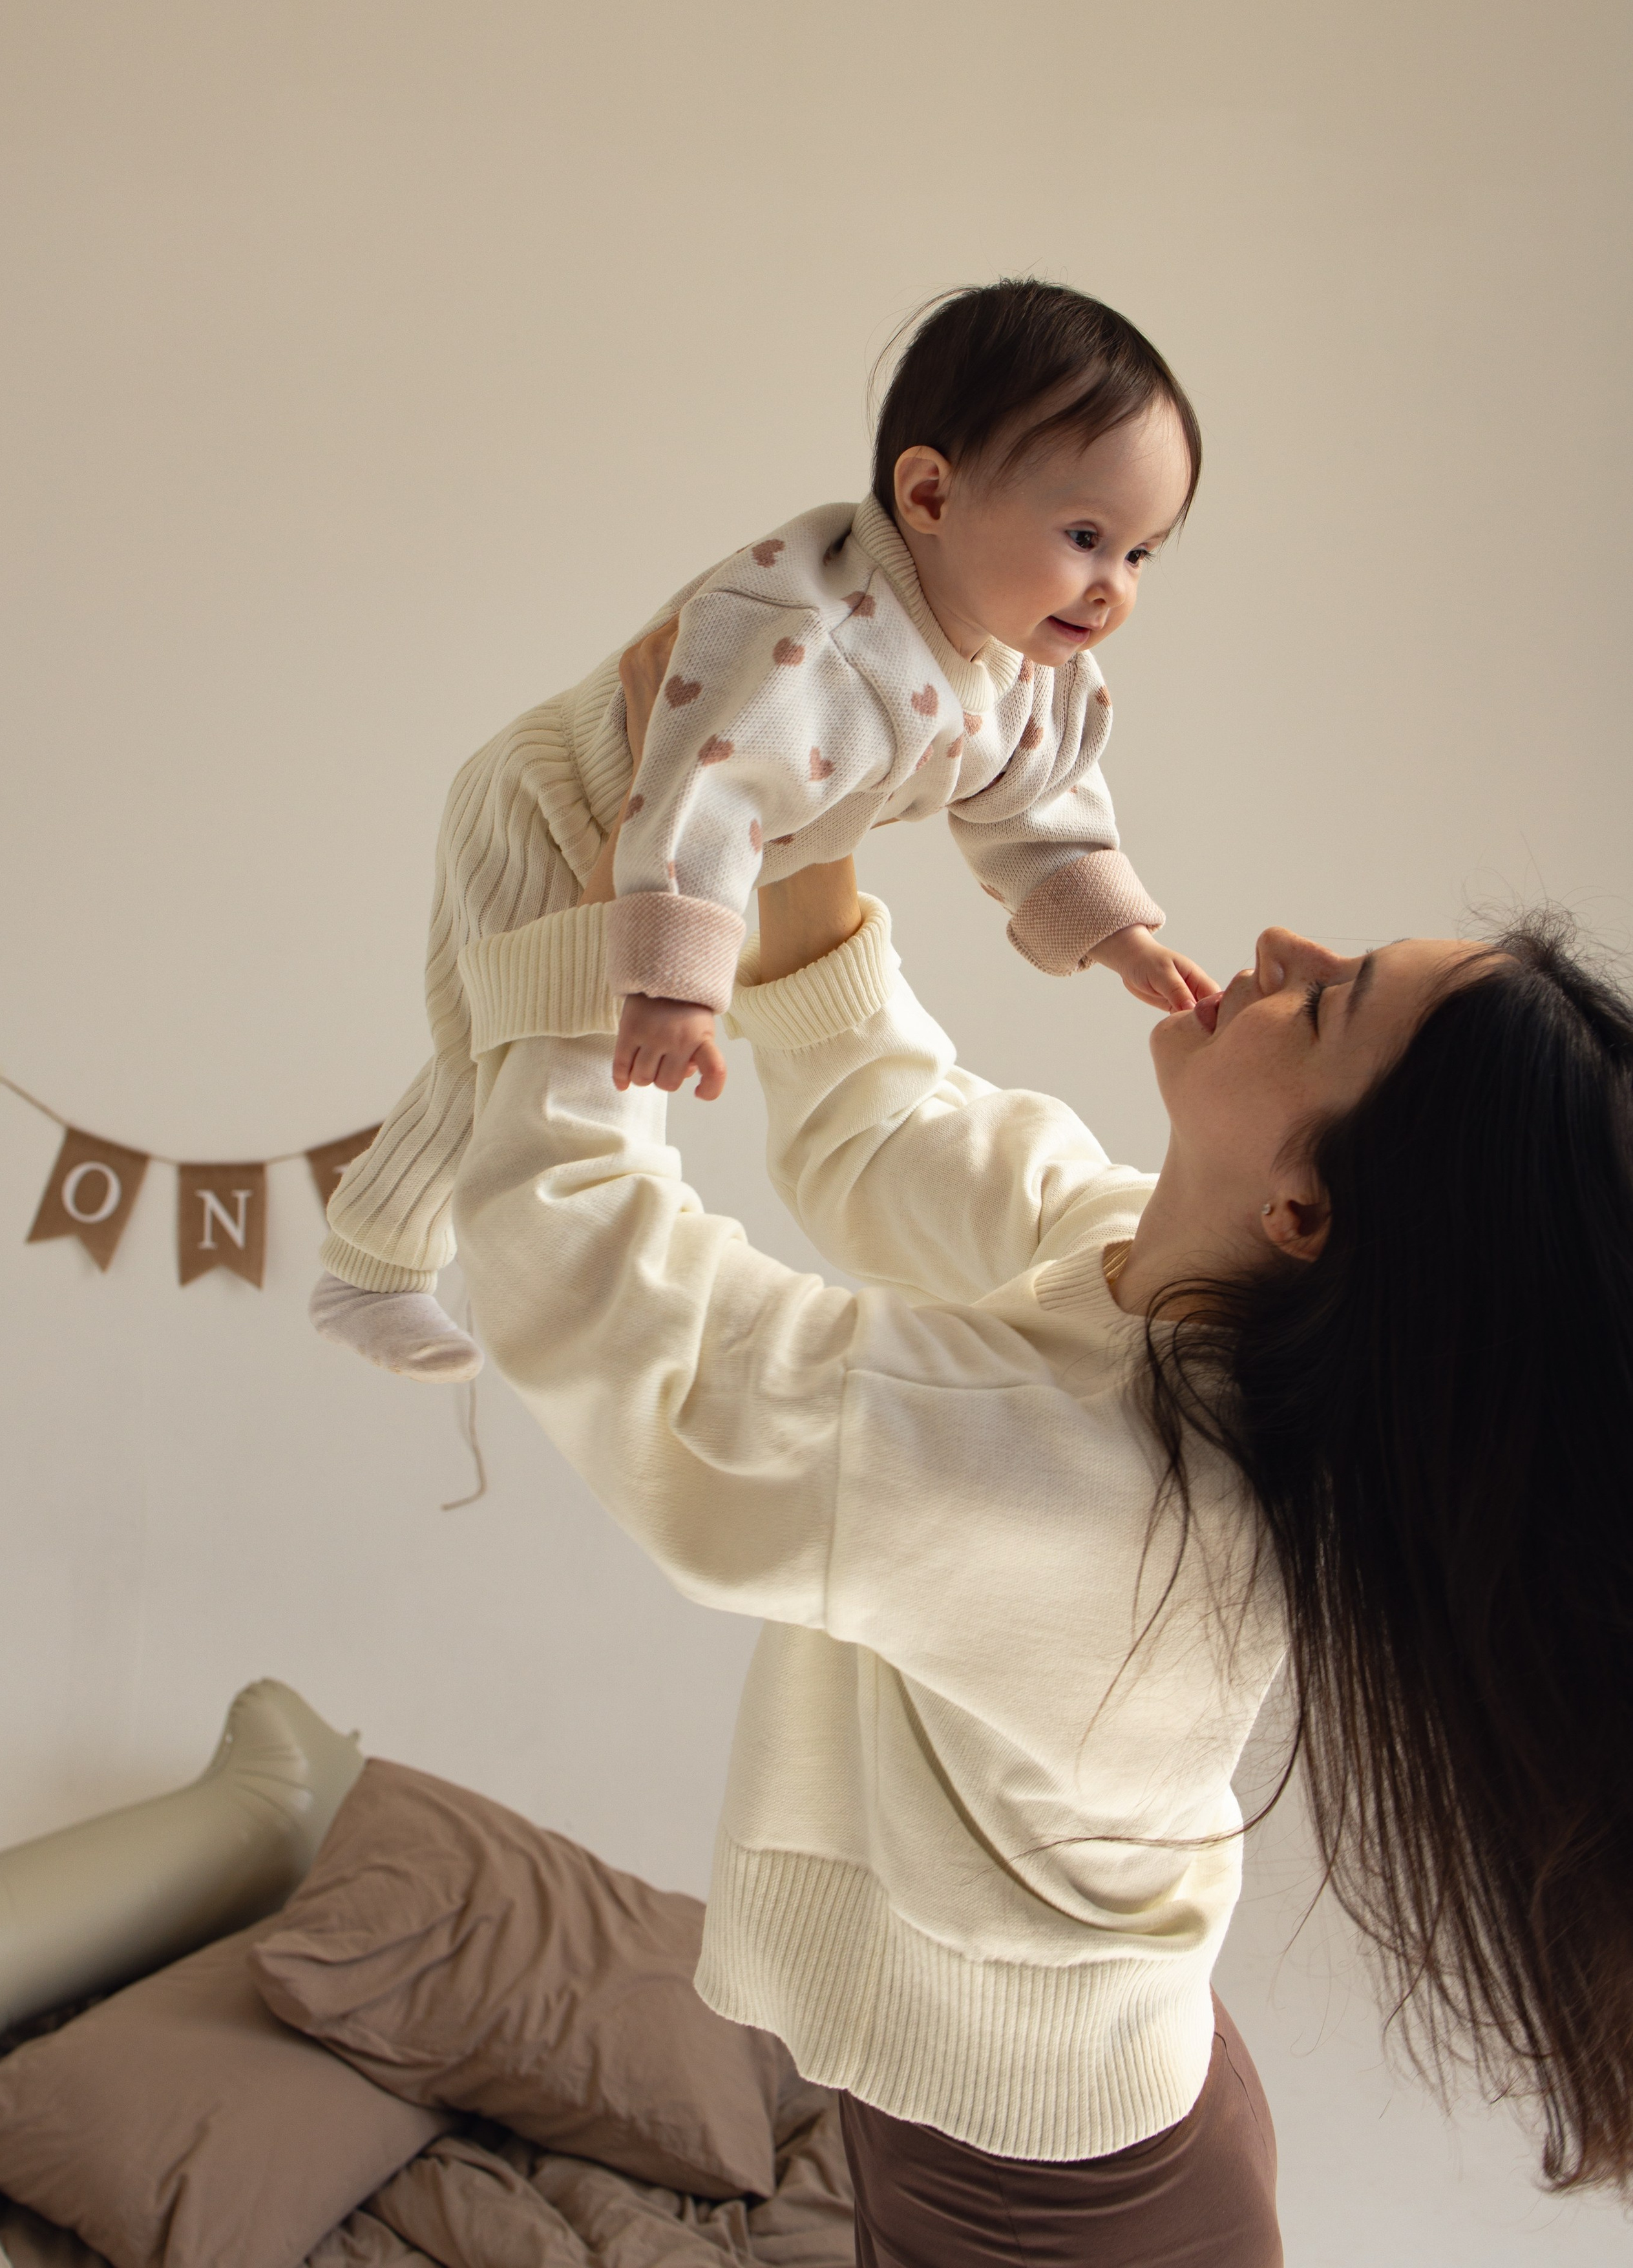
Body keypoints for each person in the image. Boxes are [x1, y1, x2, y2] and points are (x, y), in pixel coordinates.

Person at [442, 640, 1633, 2262]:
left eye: (1325, 996)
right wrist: (800, 791)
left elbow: (622, 1322)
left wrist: (621, 941)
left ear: (1305, 1209)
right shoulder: (1164, 1293)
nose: (1278, 941)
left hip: (1064, 2211)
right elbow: (884, 1129)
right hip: (1065, 2115)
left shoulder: (1087, 1502)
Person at [310, 279, 1219, 1383]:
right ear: (929, 494)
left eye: (1140, 554)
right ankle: (371, 1267)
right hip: (565, 801)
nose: (1112, 586)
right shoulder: (812, 636)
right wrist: (676, 987)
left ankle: (368, 1262)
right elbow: (711, 789)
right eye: (1085, 535)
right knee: (504, 1040)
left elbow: (1035, 802)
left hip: (699, 858)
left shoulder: (1027, 665)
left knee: (493, 1044)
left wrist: (1114, 930)